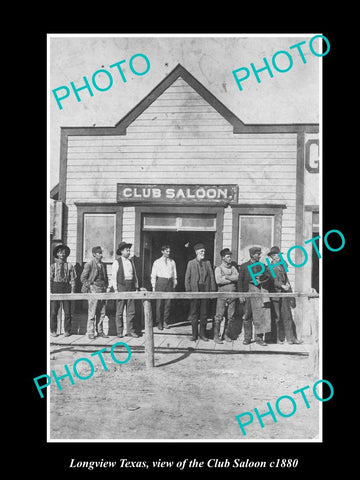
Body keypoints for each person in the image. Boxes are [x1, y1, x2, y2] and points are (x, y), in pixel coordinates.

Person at [267, 246, 303, 345]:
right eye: (276, 255)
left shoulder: (281, 266)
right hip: (275, 294)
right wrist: (282, 285)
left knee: (287, 316)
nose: (279, 257)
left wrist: (286, 286)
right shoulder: (270, 267)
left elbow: (286, 272)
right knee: (277, 318)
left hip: (284, 294)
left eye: (279, 255)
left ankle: (291, 338)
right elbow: (272, 281)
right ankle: (277, 338)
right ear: (272, 257)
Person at [238, 246, 272, 346]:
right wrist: (241, 294)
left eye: (260, 254)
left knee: (260, 316)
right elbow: (240, 281)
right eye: (258, 254)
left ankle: (259, 339)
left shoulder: (262, 266)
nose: (259, 255)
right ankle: (247, 338)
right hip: (247, 294)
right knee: (247, 316)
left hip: (259, 294)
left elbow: (269, 277)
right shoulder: (244, 266)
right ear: (252, 255)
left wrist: (262, 278)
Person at [184, 243, 216, 341]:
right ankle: (194, 335)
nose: (203, 253)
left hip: (205, 291)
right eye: (201, 251)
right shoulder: (191, 263)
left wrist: (213, 290)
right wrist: (189, 292)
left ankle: (203, 334)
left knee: (204, 313)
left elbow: (211, 277)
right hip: (195, 291)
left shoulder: (207, 263)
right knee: (194, 313)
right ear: (196, 252)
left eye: (204, 251)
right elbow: (187, 278)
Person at [110, 241, 140, 338]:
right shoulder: (117, 262)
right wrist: (115, 289)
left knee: (131, 311)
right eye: (127, 250)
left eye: (129, 250)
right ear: (122, 251)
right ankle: (119, 332)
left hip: (130, 287)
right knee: (119, 311)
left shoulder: (131, 261)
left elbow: (134, 275)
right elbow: (113, 277)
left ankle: (130, 331)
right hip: (121, 287)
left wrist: (136, 287)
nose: (128, 251)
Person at [80, 246, 109, 340]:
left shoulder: (103, 265)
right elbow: (83, 278)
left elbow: (106, 278)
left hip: (102, 289)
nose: (101, 254)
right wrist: (91, 286)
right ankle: (90, 332)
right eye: (99, 253)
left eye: (101, 253)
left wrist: (106, 287)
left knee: (102, 312)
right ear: (94, 254)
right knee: (92, 312)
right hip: (94, 289)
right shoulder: (89, 264)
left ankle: (100, 331)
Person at [50, 244, 76, 337]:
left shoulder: (69, 266)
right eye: (60, 253)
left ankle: (67, 330)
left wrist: (72, 291)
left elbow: (72, 279)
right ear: (57, 254)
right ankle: (53, 330)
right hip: (56, 287)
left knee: (68, 311)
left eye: (64, 253)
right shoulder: (53, 266)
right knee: (53, 311)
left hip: (66, 287)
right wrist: (50, 291)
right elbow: (50, 279)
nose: (62, 255)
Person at [214, 248, 239, 343]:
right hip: (222, 295)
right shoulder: (218, 269)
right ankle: (216, 336)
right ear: (223, 258)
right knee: (219, 316)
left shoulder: (233, 268)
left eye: (230, 257)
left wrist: (227, 277)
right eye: (228, 257)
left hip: (232, 295)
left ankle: (226, 334)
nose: (230, 258)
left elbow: (238, 277)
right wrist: (232, 279)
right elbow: (219, 280)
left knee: (230, 316)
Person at [151, 245, 177, 330]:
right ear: (162, 251)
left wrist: (174, 282)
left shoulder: (172, 262)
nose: (168, 253)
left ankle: (166, 321)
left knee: (168, 303)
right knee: (159, 304)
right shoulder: (157, 262)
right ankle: (159, 322)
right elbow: (153, 275)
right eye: (167, 251)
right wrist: (153, 287)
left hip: (169, 283)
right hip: (160, 283)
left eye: (169, 251)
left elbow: (174, 273)